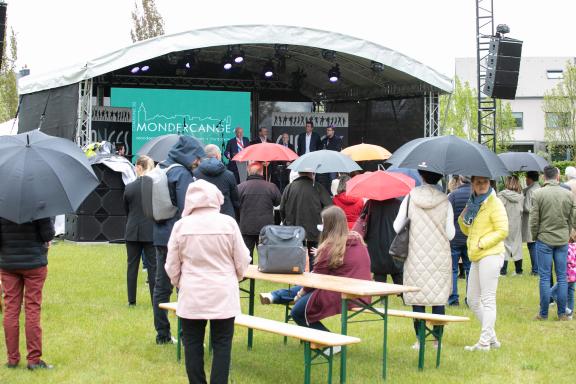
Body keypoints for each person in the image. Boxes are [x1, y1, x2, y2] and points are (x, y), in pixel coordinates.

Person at [165, 180, 251, 384]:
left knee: (192, 345)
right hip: (223, 293)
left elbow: (171, 264)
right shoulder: (228, 223)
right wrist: (234, 277)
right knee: (222, 345)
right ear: (216, 198)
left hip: (192, 294)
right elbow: (242, 258)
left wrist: (180, 283)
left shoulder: (181, 226)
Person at [260, 206, 371, 345]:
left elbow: (315, 281)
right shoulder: (358, 241)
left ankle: (330, 343)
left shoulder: (330, 247)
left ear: (329, 226)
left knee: (298, 311)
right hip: (361, 293)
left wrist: (300, 294)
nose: (322, 226)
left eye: (324, 223)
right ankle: (275, 296)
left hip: (342, 293)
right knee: (303, 291)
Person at [153, 136, 205, 345]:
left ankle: (162, 335)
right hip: (177, 238)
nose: (198, 162)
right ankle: (186, 337)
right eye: (197, 157)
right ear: (189, 154)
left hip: (158, 235)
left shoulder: (161, 168)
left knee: (160, 287)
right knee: (183, 287)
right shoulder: (181, 173)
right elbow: (187, 208)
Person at [394, 170, 455, 349]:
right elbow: (450, 234)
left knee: (417, 298)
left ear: (421, 176)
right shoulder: (446, 201)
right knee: (438, 298)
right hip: (439, 257)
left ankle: (420, 340)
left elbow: (397, 226)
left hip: (415, 256)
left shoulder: (409, 198)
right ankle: (437, 341)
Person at [459, 175, 509, 351]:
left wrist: (483, 243)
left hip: (491, 254)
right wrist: (465, 215)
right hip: (476, 255)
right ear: (472, 184)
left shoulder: (494, 203)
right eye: (478, 182)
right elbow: (466, 229)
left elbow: (503, 230)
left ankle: (484, 342)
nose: (481, 186)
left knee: (488, 299)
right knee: (472, 300)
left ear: (490, 183)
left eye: (485, 182)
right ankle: (493, 339)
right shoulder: (473, 203)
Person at [0, 217, 55, 370]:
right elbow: (48, 235)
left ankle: (12, 360)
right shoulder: (38, 203)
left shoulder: (2, 203)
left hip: (8, 264)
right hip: (34, 264)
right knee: (32, 309)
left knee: (10, 309)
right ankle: (34, 360)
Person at [530, 166, 576, 321]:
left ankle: (543, 314)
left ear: (544, 177)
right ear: (558, 176)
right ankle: (562, 313)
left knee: (544, 277)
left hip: (544, 239)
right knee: (562, 277)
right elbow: (573, 218)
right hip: (562, 239)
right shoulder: (568, 194)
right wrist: (567, 232)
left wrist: (535, 235)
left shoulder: (538, 194)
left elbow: (534, 220)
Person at [124, 155, 157, 306]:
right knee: (153, 267)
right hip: (150, 230)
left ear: (138, 167)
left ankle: (131, 300)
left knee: (132, 266)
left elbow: (126, 209)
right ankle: (154, 299)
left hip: (132, 230)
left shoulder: (129, 187)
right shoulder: (155, 186)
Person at [280, 171, 333, 265]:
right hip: (315, 229)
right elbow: (329, 207)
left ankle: (296, 278)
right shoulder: (317, 187)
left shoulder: (289, 187)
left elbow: (282, 209)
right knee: (315, 258)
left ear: (299, 173)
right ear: (311, 174)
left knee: (296, 259)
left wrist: (286, 223)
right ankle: (314, 277)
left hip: (294, 230)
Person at [237, 162, 282, 261]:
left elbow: (236, 204)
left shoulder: (240, 187)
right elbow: (278, 202)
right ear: (262, 173)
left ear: (248, 172)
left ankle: (248, 275)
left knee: (247, 257)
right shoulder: (271, 187)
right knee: (265, 257)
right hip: (265, 227)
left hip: (246, 227)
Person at [194, 144, 240, 220]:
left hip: (202, 217)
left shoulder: (195, 174)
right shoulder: (229, 175)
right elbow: (235, 200)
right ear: (217, 156)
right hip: (226, 217)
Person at [365, 197, 403, 285]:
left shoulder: (370, 203)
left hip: (376, 246)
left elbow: (364, 223)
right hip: (394, 245)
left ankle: (383, 299)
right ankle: (404, 297)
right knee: (400, 283)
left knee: (380, 283)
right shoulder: (398, 204)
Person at [447, 175, 472, 306]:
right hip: (470, 237)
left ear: (461, 179)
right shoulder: (476, 196)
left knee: (452, 270)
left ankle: (453, 298)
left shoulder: (453, 195)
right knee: (470, 269)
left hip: (454, 238)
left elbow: (447, 216)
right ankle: (470, 298)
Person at [498, 175, 525, 276]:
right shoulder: (521, 196)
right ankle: (519, 271)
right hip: (517, 223)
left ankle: (503, 271)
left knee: (504, 245)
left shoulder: (501, 195)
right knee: (517, 245)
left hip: (504, 222)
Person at [550, 230, 576, 319]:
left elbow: (565, 261)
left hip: (566, 275)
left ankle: (566, 309)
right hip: (574, 275)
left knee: (552, 292)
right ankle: (570, 314)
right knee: (570, 294)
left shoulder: (566, 248)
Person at [522, 171, 541, 276]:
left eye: (526, 178)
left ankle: (535, 269)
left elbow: (527, 207)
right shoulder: (540, 188)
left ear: (530, 179)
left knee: (532, 245)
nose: (525, 180)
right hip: (539, 220)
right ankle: (537, 268)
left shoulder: (530, 191)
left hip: (530, 220)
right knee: (537, 245)